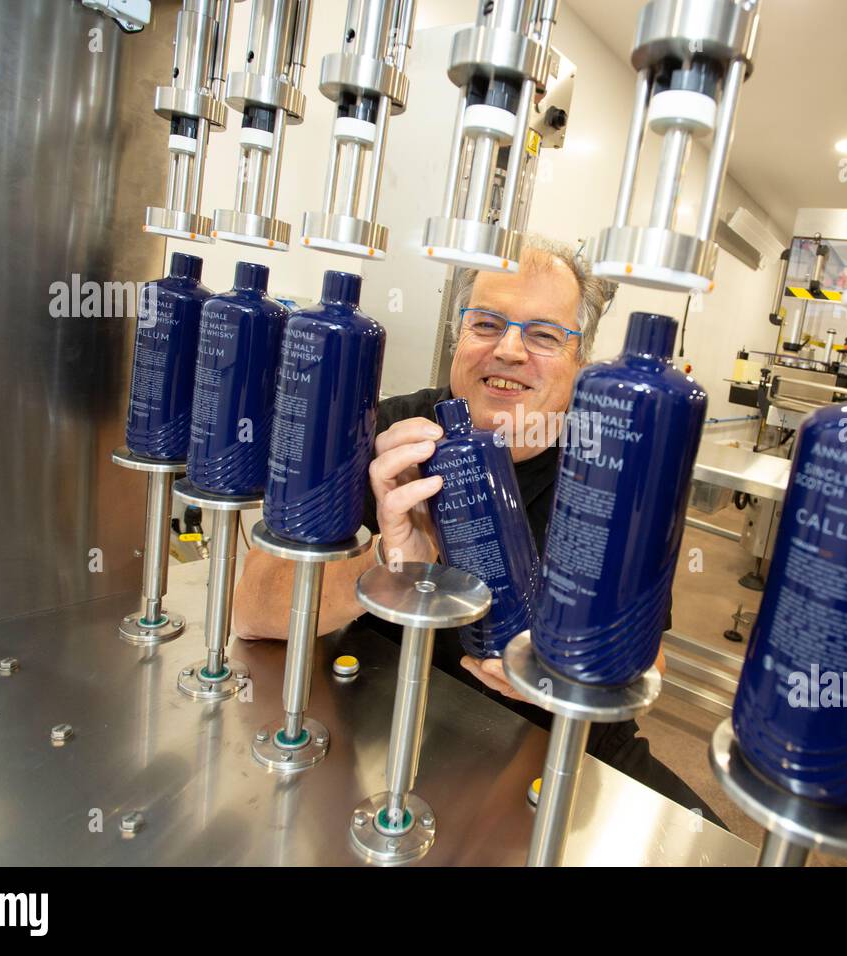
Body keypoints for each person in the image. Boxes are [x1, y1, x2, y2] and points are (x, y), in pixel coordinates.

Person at [233, 234, 722, 826]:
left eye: (544, 335)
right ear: (458, 338)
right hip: (390, 715)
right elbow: (251, 610)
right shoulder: (387, 436)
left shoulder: (615, 469)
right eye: (487, 323)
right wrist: (387, 563)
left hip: (558, 742)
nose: (510, 351)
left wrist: (565, 684)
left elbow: (651, 665)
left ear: (581, 362)